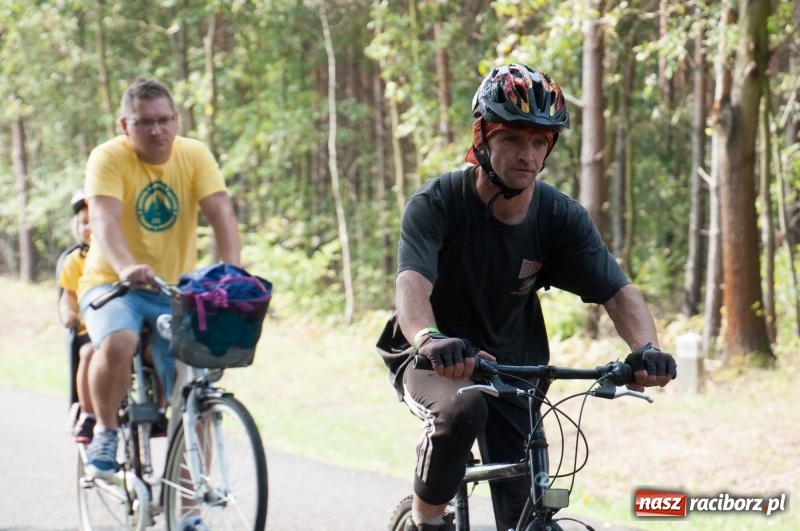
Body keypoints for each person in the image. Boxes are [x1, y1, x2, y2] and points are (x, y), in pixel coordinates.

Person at [377, 63, 677, 531]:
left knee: (527, 507)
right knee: (462, 408)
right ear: (483, 137)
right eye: (515, 138)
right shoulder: (438, 203)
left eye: (541, 141)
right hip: (432, 357)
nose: (529, 154)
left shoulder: (558, 216)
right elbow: (411, 284)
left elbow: (619, 293)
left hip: (514, 366)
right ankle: (425, 521)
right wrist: (429, 337)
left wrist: (646, 350)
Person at [77, 77, 242, 486]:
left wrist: (232, 272)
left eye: (165, 120)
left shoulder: (194, 154)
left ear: (176, 119)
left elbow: (220, 211)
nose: (157, 131)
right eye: (145, 122)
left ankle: (187, 510)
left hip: (174, 290)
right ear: (124, 125)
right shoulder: (108, 158)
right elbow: (103, 218)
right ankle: (105, 432)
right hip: (112, 284)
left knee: (194, 389)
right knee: (120, 340)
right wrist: (126, 265)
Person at [59, 189, 96, 443]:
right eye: (84, 222)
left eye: (95, 220)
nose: (89, 227)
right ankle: (88, 413)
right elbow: (68, 296)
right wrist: (68, 313)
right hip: (89, 330)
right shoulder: (75, 260)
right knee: (89, 353)